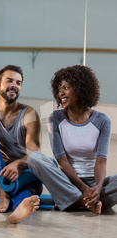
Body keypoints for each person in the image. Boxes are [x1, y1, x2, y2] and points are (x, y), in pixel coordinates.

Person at [28, 65, 117, 214]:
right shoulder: (55, 118)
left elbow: (101, 162)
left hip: (94, 185)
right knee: (34, 158)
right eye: (59, 88)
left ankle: (76, 201)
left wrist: (98, 187)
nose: (61, 92)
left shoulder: (102, 120)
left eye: (66, 87)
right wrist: (83, 188)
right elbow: (62, 162)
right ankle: (84, 201)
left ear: (81, 89)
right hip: (67, 183)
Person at [0, 65, 41, 224]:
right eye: (9, 81)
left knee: (24, 190)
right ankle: (4, 195)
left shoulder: (29, 113)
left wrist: (18, 164)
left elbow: (34, 152)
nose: (14, 86)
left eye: (18, 83)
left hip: (24, 176)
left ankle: (21, 207)